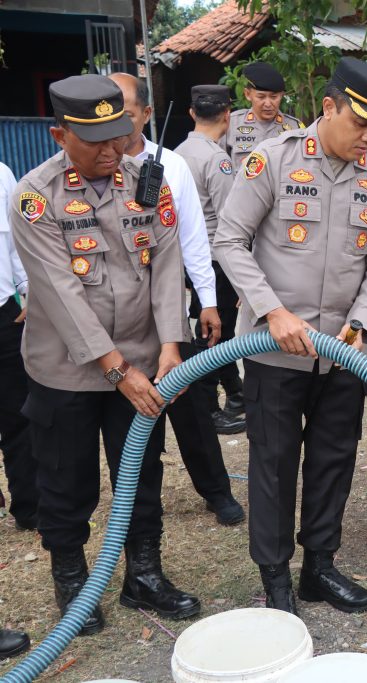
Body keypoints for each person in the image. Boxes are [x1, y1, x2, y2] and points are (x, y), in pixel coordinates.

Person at [11, 75, 200, 635]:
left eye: (119, 136)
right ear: (60, 134)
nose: (112, 151)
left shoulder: (148, 179)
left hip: (144, 360)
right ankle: (72, 580)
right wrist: (117, 370)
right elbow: (60, 296)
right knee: (66, 480)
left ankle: (143, 575)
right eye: (95, 141)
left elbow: (166, 264)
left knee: (140, 471)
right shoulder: (35, 196)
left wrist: (171, 344)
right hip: (67, 372)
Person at [214, 57, 367, 614]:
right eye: (360, 124)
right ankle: (275, 578)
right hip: (274, 351)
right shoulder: (270, 160)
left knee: (333, 458)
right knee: (273, 465)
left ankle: (320, 566)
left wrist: (364, 325)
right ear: (329, 107)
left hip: (345, 355)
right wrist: (271, 311)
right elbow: (229, 241)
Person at [110, 73, 244, 527]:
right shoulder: (81, 166)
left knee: (191, 408)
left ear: (147, 114)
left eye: (124, 112)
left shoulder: (171, 166)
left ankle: (217, 490)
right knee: (131, 416)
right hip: (113, 321)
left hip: (170, 311)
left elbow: (193, 240)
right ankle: (139, 506)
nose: (111, 123)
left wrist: (207, 301)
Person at [174, 84, 248, 436]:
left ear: (192, 113)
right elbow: (232, 220)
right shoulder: (216, 159)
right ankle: (209, 409)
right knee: (216, 335)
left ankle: (234, 396)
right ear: (227, 115)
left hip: (190, 260)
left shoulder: (176, 153)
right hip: (217, 261)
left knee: (215, 332)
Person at [0, 160, 38, 532]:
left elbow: (12, 241)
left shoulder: (1, 174)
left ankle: (29, 506)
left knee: (17, 415)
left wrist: (28, 292)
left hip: (4, 315)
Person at [225, 62, 303, 166]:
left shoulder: (295, 128)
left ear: (282, 96)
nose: (268, 104)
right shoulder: (231, 123)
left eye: (274, 97)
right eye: (261, 97)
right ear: (248, 94)